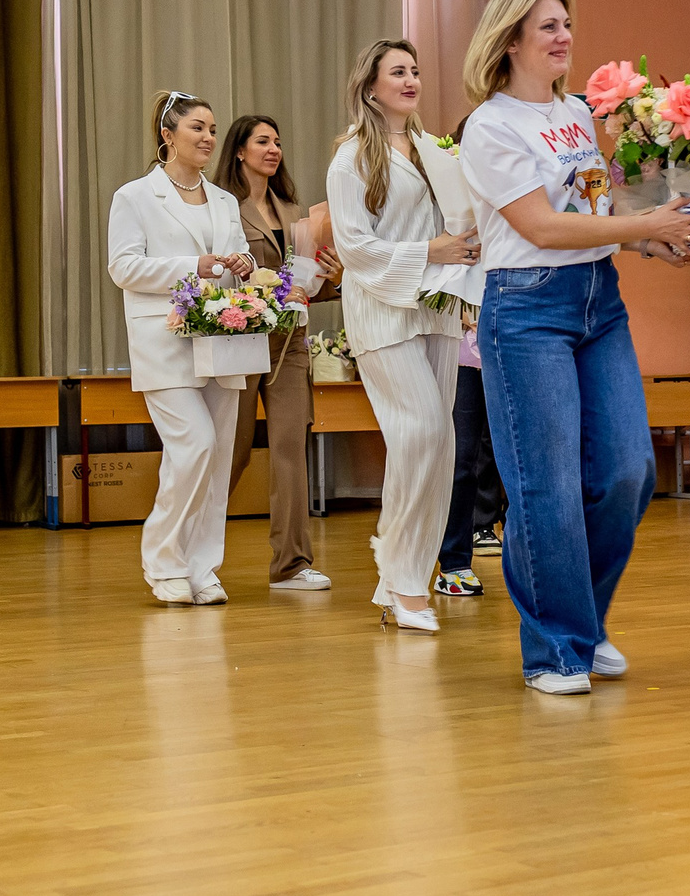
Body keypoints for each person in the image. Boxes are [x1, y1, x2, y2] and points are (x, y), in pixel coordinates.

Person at [458, 0, 690, 695]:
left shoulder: (575, 111)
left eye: (567, 22)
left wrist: (651, 240)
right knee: (547, 487)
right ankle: (554, 646)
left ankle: (582, 617)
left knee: (628, 473)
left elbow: (591, 208)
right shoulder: (491, 125)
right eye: (547, 26)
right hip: (527, 307)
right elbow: (540, 226)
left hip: (599, 301)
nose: (564, 35)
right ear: (510, 41)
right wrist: (643, 228)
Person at [325, 40, 478, 635]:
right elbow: (356, 249)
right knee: (421, 433)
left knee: (440, 442)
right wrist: (429, 251)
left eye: (415, 69)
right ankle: (402, 577)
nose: (411, 79)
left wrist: (464, 256)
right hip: (384, 312)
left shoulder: (436, 151)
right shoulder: (351, 160)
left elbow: (458, 221)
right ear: (371, 87)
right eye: (397, 71)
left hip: (436, 307)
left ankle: (403, 580)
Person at [107, 91, 260, 607]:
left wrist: (240, 266)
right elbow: (123, 267)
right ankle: (164, 559)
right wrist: (191, 267)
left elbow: (236, 255)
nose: (209, 138)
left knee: (216, 458)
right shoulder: (134, 196)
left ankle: (203, 567)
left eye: (213, 129)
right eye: (198, 127)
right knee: (192, 445)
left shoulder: (224, 200)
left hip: (221, 339)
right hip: (165, 342)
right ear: (168, 135)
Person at [212, 114, 340, 590]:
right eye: (262, 141)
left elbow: (311, 285)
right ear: (240, 151)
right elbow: (218, 277)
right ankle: (189, 553)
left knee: (290, 448)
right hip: (241, 342)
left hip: (290, 344)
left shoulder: (294, 209)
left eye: (278, 141)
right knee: (236, 451)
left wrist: (334, 274)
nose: (273, 149)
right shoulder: (222, 207)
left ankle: (292, 565)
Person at [434, 320, 502, 597]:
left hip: (514, 350)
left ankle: (534, 561)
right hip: (461, 354)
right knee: (462, 461)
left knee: (525, 459)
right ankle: (455, 561)